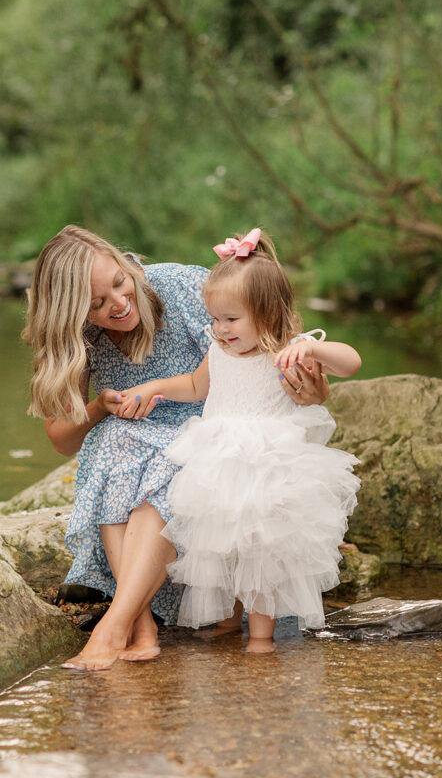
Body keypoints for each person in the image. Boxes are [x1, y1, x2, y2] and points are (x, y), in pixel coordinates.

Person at [22, 225, 331, 670]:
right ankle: (140, 623)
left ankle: (116, 623)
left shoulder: (180, 287)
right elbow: (61, 439)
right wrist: (101, 407)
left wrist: (308, 387)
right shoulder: (79, 338)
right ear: (71, 312)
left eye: (119, 282)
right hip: (133, 452)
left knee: (170, 461)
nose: (119, 303)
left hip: (212, 440)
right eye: (97, 303)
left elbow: (267, 341)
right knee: (111, 440)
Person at [115, 228, 361, 653]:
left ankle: (261, 636)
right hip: (219, 465)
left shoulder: (288, 349)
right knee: (220, 547)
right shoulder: (219, 352)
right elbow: (194, 386)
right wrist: (154, 385)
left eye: (231, 320)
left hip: (268, 468)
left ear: (268, 314)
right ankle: (228, 620)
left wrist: (313, 351)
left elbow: (351, 363)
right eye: (214, 319)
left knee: (261, 553)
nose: (220, 329)